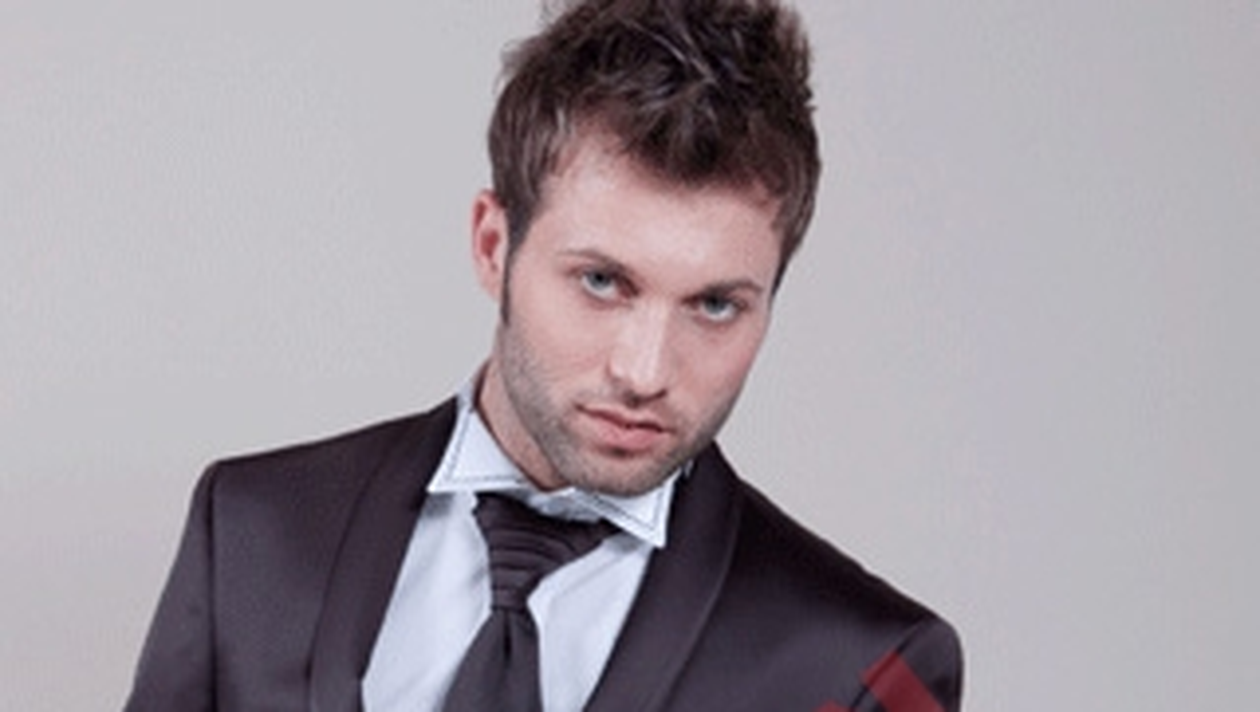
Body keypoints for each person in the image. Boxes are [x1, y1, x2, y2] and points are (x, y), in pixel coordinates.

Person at [124, 0, 964, 710]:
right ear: (494, 246)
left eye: (715, 305)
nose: (645, 372)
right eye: (602, 282)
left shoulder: (870, 665)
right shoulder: (251, 530)